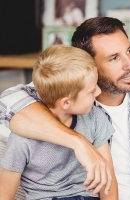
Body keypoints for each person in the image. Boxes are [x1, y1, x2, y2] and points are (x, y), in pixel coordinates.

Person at [0, 17, 130, 200]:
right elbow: (7, 104)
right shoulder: (61, 90)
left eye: (129, 51)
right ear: (87, 63)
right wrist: (79, 142)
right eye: (114, 58)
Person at [0, 45, 118, 200]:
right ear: (66, 103)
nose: (98, 92)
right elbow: (5, 193)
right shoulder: (22, 138)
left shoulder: (96, 118)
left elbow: (107, 179)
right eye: (91, 91)